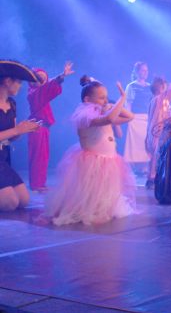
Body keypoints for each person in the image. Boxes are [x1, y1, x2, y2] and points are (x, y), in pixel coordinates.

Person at [45, 76, 137, 225]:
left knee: (104, 190)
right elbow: (109, 119)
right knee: (91, 191)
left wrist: (113, 105)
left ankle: (101, 208)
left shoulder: (103, 113)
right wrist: (122, 99)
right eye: (102, 98)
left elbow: (130, 117)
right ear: (87, 99)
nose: (106, 101)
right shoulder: (85, 116)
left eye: (106, 97)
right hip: (93, 161)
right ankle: (86, 209)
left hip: (109, 159)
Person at [27, 61, 75, 192]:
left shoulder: (41, 92)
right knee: (38, 156)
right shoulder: (33, 93)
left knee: (43, 156)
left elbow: (48, 87)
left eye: (43, 78)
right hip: (36, 127)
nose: (41, 80)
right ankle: (37, 184)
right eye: (38, 78)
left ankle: (40, 183)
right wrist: (61, 76)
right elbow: (47, 88)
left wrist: (60, 77)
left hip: (43, 128)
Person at [0, 60, 40, 211]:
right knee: (9, 203)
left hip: (2, 158)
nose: (20, 86)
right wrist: (16, 130)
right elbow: (13, 131)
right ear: (7, 81)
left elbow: (11, 136)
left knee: (23, 200)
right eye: (18, 82)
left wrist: (24, 129)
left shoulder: (12, 104)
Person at [145, 76, 171, 188]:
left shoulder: (161, 101)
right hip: (156, 132)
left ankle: (155, 178)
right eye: (164, 86)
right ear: (160, 88)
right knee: (156, 155)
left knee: (158, 155)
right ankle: (152, 178)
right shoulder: (158, 99)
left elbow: (167, 114)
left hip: (159, 131)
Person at [124, 61, 151, 173]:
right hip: (135, 118)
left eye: (146, 70)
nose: (145, 72)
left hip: (148, 118)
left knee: (146, 143)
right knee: (136, 144)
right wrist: (129, 118)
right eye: (143, 70)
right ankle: (137, 167)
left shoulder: (150, 86)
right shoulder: (131, 86)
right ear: (137, 72)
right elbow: (128, 103)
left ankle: (144, 167)